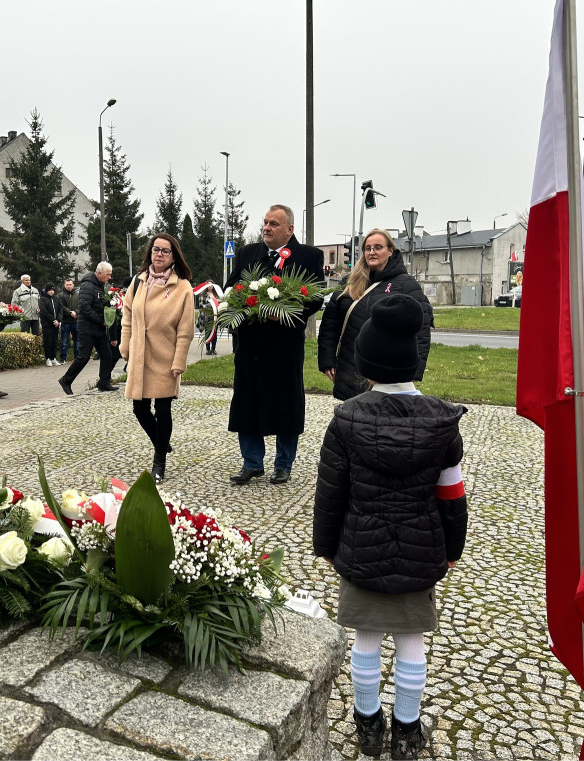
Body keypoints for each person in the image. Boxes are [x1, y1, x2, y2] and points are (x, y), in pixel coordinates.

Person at [313, 294, 468, 759]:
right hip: (422, 546)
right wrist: (453, 547)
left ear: (366, 362)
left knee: (364, 638)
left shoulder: (346, 419)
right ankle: (407, 729)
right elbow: (452, 496)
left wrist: (325, 545)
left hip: (360, 546)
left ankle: (367, 724)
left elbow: (331, 491)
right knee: (411, 642)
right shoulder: (443, 423)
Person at [225, 204, 323, 485]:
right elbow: (232, 288)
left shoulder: (308, 256)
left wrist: (284, 309)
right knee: (248, 402)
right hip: (250, 347)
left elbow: (315, 297)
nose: (266, 227)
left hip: (284, 346)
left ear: (289, 229)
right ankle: (252, 463)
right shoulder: (248, 253)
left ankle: (283, 464)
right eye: (265, 222)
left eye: (274, 224)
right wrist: (241, 305)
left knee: (285, 404)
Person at [317, 229, 432, 401]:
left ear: (390, 251)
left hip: (389, 371)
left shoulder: (406, 284)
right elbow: (330, 323)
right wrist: (327, 359)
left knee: (385, 420)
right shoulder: (349, 281)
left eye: (378, 247)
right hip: (350, 365)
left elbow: (421, 330)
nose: (372, 252)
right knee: (352, 418)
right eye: (368, 248)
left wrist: (416, 371)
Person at [120, 233, 195, 483]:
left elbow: (185, 330)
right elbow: (127, 316)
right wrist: (126, 347)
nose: (159, 254)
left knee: (163, 409)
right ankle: (162, 441)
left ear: (174, 255)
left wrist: (179, 361)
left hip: (165, 356)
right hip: (140, 355)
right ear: (149, 253)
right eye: (155, 250)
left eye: (165, 251)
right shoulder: (138, 282)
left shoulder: (182, 286)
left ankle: (159, 460)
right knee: (139, 408)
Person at [58, 262, 118, 395]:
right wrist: (101, 320)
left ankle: (104, 383)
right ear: (99, 273)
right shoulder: (87, 285)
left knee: (107, 354)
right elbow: (85, 308)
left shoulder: (100, 286)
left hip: (98, 328)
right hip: (87, 327)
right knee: (83, 357)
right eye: (107, 275)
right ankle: (66, 380)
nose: (109, 277)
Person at [57, 278, 79, 364]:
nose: (69, 286)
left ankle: (77, 358)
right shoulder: (60, 295)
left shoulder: (78, 295)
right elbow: (61, 306)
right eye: (67, 285)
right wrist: (70, 312)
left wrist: (76, 312)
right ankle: (63, 358)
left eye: (70, 284)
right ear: (64, 285)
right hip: (65, 321)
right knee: (64, 341)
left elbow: (81, 305)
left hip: (76, 321)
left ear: (73, 285)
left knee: (77, 340)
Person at [39, 284, 60, 366]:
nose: (51, 292)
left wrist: (58, 320)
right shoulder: (42, 300)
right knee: (48, 342)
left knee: (55, 341)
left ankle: (53, 358)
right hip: (47, 324)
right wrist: (53, 320)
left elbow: (60, 310)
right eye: (50, 290)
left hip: (56, 324)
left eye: (53, 290)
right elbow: (44, 312)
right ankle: (48, 358)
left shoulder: (57, 299)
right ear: (46, 290)